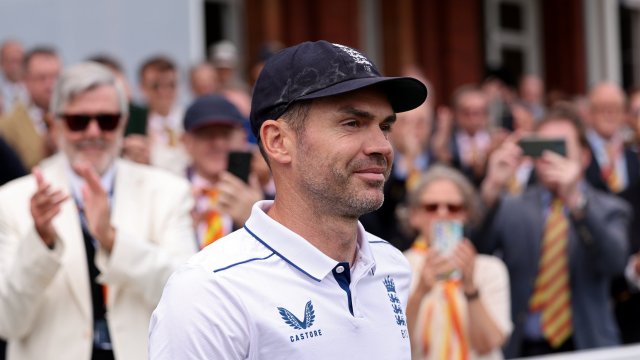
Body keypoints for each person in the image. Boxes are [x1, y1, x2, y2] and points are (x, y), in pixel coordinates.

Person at [149, 40, 428, 359]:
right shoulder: (210, 291)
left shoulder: (393, 266)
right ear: (278, 141)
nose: (382, 146)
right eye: (352, 123)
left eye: (385, 126)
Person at [0, 62, 197, 360]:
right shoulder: (13, 200)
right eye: (78, 121)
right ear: (55, 123)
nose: (94, 132)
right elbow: (7, 320)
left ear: (123, 122)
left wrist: (112, 239)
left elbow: (187, 297)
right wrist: (40, 242)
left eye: (107, 120)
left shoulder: (168, 192)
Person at [476, 104, 630, 357]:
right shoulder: (511, 206)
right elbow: (477, 252)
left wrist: (577, 203)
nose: (550, 158)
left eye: (560, 148)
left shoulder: (610, 208)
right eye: (543, 149)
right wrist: (491, 189)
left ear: (584, 156)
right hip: (524, 347)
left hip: (589, 347)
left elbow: (614, 263)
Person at [404, 165, 511, 360]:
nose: (443, 214)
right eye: (431, 207)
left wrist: (470, 288)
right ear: (414, 216)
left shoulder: (489, 268)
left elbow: (488, 345)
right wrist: (419, 293)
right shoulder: (397, 266)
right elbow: (394, 347)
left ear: (466, 215)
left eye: (453, 208)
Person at [182, 94, 264, 249]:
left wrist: (256, 221)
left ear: (243, 137)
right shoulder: (169, 194)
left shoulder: (268, 200)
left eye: (226, 134)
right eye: (207, 134)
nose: (218, 143)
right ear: (187, 142)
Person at [123, 55, 189, 175]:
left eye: (171, 85)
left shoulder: (190, 120)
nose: (164, 92)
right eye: (156, 86)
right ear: (142, 88)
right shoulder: (134, 124)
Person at [0, 46, 60, 169]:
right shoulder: (7, 126)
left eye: (56, 77)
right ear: (25, 80)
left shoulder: (79, 119)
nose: (50, 85)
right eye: (42, 78)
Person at [584, 82, 640, 194]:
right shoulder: (580, 150)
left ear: (624, 114)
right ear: (589, 113)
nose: (609, 114)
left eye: (615, 108)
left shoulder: (634, 150)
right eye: (602, 108)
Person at [0, 39, 29, 115]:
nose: (16, 66)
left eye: (19, 61)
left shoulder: (35, 91)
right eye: (12, 61)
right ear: (2, 63)